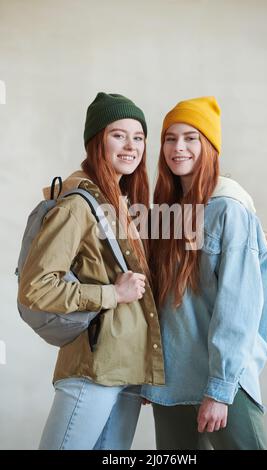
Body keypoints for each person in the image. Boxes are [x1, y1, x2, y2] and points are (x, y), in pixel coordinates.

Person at [18, 92, 165, 450]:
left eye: (139, 137)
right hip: (94, 368)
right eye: (119, 134)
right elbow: (35, 287)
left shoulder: (119, 201)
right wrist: (112, 293)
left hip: (127, 370)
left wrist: (145, 370)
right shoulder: (77, 205)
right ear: (96, 140)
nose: (131, 146)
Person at [140, 96, 267, 450]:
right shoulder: (167, 210)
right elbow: (164, 305)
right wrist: (149, 374)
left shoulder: (228, 207)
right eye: (170, 138)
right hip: (173, 386)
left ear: (210, 146)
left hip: (223, 382)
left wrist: (219, 389)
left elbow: (238, 306)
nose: (178, 147)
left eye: (190, 138)